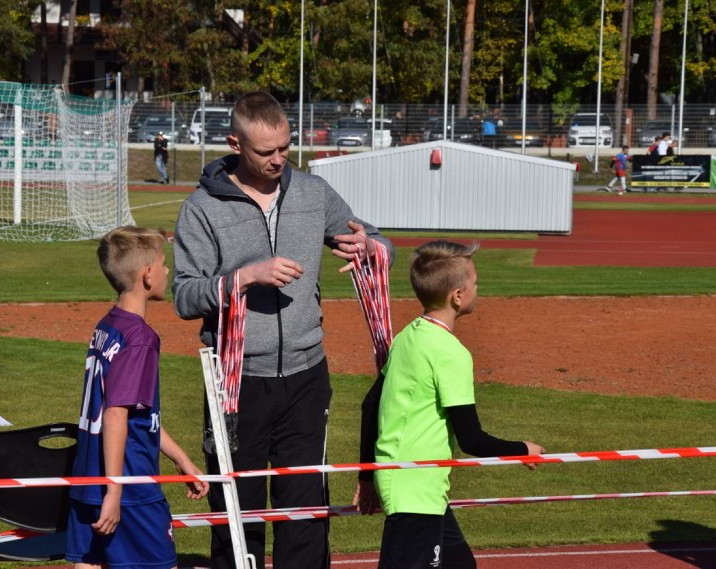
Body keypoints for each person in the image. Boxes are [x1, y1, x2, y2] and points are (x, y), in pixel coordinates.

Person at [172, 90, 394, 569]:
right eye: (265, 151)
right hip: (235, 384)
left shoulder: (313, 194)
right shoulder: (201, 208)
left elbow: (376, 240)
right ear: (235, 143)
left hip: (306, 376)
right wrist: (244, 277)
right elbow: (185, 296)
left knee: (305, 510)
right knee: (236, 508)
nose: (278, 160)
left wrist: (369, 245)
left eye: (285, 148)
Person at [373, 240, 545, 569]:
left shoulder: (407, 336)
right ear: (457, 295)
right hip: (415, 489)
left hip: (416, 485)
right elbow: (471, 439)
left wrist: (368, 477)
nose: (477, 288)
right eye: (475, 283)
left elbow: (371, 405)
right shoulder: (451, 353)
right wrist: (522, 450)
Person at [66, 226, 209, 569]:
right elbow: (116, 414)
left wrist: (181, 458)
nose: (167, 271)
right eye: (163, 264)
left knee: (89, 564)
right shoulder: (140, 338)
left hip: (89, 478)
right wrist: (115, 492)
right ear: (147, 275)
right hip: (129, 485)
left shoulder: (108, 325)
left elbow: (138, 415)